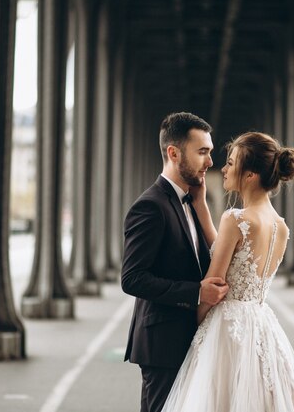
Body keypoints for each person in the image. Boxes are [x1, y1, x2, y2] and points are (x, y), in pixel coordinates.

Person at [161, 131, 294, 412]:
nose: (224, 168)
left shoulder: (236, 219)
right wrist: (201, 205)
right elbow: (226, 248)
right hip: (261, 325)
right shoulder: (280, 226)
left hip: (227, 329)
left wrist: (192, 329)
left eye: (232, 163)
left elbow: (214, 284)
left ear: (250, 175)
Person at [121, 112, 230, 412]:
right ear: (173, 153)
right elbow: (132, 278)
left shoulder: (191, 202)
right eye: (202, 152)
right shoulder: (149, 207)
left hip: (191, 339)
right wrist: (197, 292)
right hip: (163, 346)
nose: (210, 162)